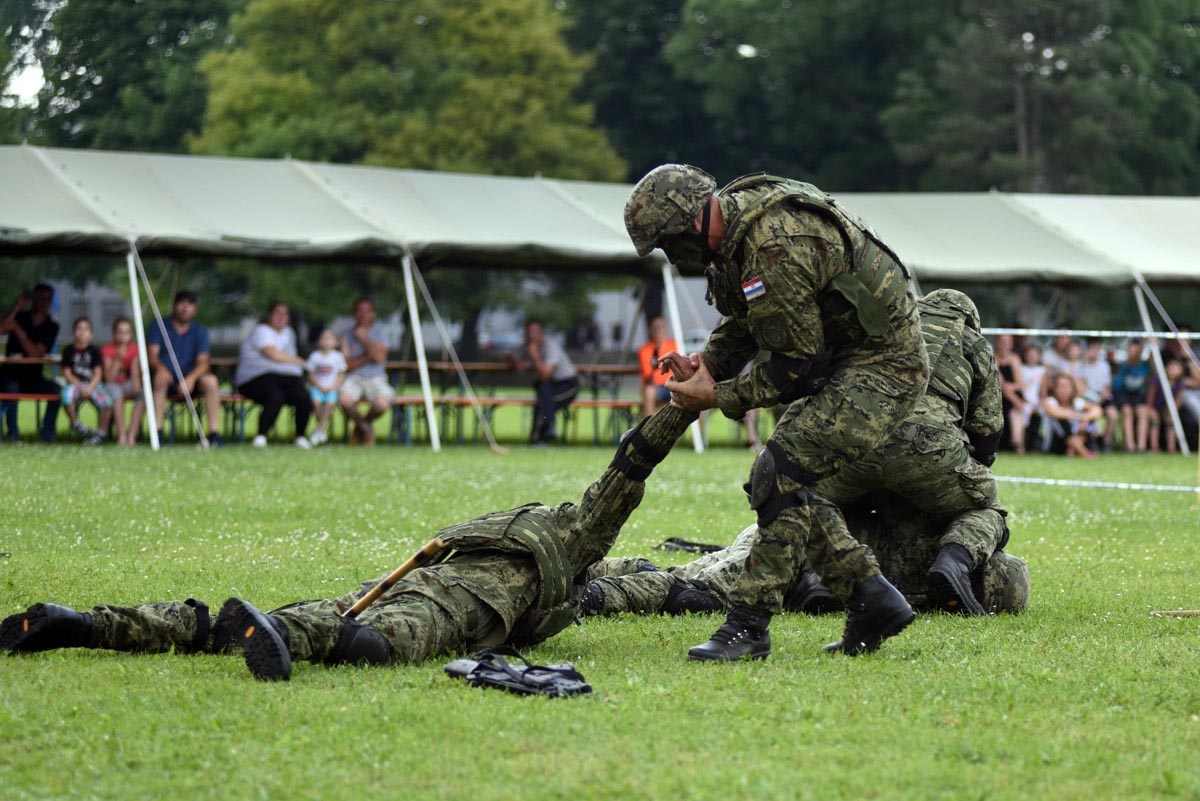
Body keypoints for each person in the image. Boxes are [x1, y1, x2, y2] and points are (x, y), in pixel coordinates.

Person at [0, 404, 699, 682]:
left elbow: (637, 573)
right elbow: (625, 477)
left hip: (421, 581)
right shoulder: (572, 542)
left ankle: (89, 623)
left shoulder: (546, 546)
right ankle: (277, 632)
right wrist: (676, 409)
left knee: (241, 624)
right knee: (369, 642)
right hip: (458, 606)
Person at [624, 164, 928, 661]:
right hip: (847, 357)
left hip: (886, 364)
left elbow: (795, 366)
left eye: (666, 243)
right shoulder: (733, 241)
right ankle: (871, 597)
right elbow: (744, 322)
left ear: (689, 224)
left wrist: (716, 397)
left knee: (778, 471)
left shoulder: (774, 245)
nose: (671, 257)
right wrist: (706, 363)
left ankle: (748, 626)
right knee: (786, 480)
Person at [582, 493, 1029, 619]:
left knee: (694, 577)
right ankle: (593, 595)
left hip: (792, 533)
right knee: (700, 593)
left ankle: (597, 572)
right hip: (798, 541)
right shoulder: (936, 539)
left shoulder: (942, 527)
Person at [145, 290, 223, 445]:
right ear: (174, 305)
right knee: (159, 379)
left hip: (190, 379)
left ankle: (214, 433)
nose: (185, 307)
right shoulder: (159, 325)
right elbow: (152, 355)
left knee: (211, 381)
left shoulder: (200, 331)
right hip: (166, 378)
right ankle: (158, 432)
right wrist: (161, 368)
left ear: (195, 309)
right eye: (182, 303)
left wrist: (191, 379)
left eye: (190, 304)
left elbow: (203, 362)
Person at [234, 301, 313, 449]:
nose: (281, 317)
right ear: (269, 315)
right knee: (275, 395)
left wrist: (298, 365)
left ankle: (300, 436)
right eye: (277, 313)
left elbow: (288, 358)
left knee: (302, 395)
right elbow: (272, 354)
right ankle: (261, 436)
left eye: (285, 314)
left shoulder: (289, 333)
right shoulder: (261, 331)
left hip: (284, 377)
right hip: (255, 378)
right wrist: (299, 361)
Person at [0, 284, 61, 442]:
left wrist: (18, 331)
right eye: (40, 298)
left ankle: (47, 432)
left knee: (56, 390)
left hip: (34, 377)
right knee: (11, 389)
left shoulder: (51, 326)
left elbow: (36, 353)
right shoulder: (20, 317)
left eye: (48, 299)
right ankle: (12, 433)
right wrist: (18, 306)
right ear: (33, 299)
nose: (44, 302)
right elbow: (1, 328)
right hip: (9, 375)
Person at [507, 318, 579, 445]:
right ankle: (544, 433)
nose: (531, 336)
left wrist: (534, 355)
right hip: (548, 387)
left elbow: (545, 374)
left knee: (544, 399)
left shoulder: (551, 347)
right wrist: (517, 363)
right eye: (528, 333)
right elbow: (509, 357)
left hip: (567, 385)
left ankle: (543, 433)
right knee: (543, 393)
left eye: (535, 332)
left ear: (542, 334)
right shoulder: (526, 346)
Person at [335, 297, 393, 447]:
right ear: (353, 313)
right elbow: (346, 365)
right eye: (359, 311)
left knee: (381, 404)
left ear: (373, 314)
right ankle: (366, 428)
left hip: (376, 378)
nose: (363, 314)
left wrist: (363, 338)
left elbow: (380, 357)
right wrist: (367, 357)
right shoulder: (346, 334)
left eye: (367, 311)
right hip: (353, 378)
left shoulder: (380, 331)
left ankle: (360, 426)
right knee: (344, 400)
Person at [59, 317, 113, 445]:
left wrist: (89, 388)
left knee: (107, 402)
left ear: (91, 334)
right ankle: (76, 424)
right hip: (75, 383)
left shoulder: (95, 351)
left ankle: (100, 433)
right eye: (79, 329)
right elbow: (67, 373)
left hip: (92, 384)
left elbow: (98, 373)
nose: (82, 332)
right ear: (73, 332)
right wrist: (81, 387)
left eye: (86, 329)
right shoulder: (68, 351)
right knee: (66, 396)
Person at [101, 316, 145, 446]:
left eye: (126, 332)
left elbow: (135, 372)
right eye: (120, 332)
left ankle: (132, 434)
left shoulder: (134, 349)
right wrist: (118, 359)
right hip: (112, 384)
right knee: (116, 393)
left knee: (144, 395)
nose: (123, 336)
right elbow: (109, 378)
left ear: (131, 334)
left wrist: (137, 384)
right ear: (114, 333)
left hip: (127, 383)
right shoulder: (108, 349)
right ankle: (121, 435)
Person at [1040, 372, 1102, 457]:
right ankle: (1084, 452)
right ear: (1055, 389)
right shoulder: (1050, 401)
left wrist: (1084, 419)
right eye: (1061, 386)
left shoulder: (1076, 402)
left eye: (1067, 386)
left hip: (1077, 437)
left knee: (1090, 422)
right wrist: (1077, 417)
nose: (1064, 390)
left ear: (1072, 389)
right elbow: (1054, 412)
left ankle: (1074, 448)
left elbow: (1097, 410)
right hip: (1056, 443)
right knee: (1060, 420)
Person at [304, 327, 347, 446]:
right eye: (323, 338)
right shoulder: (314, 356)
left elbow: (341, 374)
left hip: (332, 388)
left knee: (330, 404)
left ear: (335, 342)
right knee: (316, 403)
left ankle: (319, 429)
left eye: (329, 338)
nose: (326, 341)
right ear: (318, 341)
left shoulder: (338, 357)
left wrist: (334, 386)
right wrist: (319, 385)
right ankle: (321, 429)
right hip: (317, 388)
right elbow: (310, 373)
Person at [1109, 338, 1151, 452]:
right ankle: (1130, 446)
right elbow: (1132, 360)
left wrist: (1151, 345)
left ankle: (1141, 446)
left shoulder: (1144, 365)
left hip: (1137, 395)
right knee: (1127, 412)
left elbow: (1152, 359)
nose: (1133, 351)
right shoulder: (1125, 364)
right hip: (1122, 393)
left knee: (1142, 412)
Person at [637, 315, 677, 418]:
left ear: (666, 329)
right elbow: (648, 377)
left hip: (674, 386)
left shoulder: (674, 346)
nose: (659, 330)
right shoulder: (645, 350)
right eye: (656, 327)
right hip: (657, 388)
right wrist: (654, 366)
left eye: (661, 327)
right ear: (651, 330)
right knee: (649, 391)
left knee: (697, 393)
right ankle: (649, 430)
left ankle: (699, 433)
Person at [994, 333, 1027, 453]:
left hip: (1013, 395)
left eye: (1008, 342)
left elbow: (1020, 383)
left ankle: (1018, 444)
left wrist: (1011, 388)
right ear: (997, 342)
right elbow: (1001, 385)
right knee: (1016, 408)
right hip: (998, 396)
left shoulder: (1014, 359)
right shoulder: (992, 358)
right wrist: (1016, 400)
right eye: (1002, 341)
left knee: (1016, 412)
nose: (1005, 345)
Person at [1020, 343, 1047, 452]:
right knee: (1024, 413)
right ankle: (1022, 444)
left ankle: (1042, 443)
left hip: (1037, 401)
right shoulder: (1021, 369)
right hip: (1025, 400)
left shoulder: (1042, 370)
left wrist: (1040, 402)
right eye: (1030, 355)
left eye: (1034, 355)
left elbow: (1043, 391)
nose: (1032, 358)